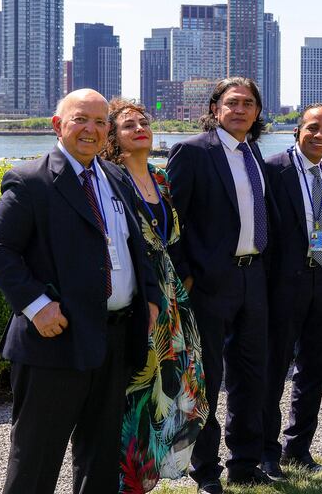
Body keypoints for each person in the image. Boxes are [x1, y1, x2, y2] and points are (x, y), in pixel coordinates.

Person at [0, 89, 160, 494]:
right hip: (55, 341)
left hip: (114, 339)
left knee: (100, 461)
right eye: (81, 119)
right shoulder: (31, 179)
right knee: (36, 461)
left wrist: (148, 298)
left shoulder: (116, 177)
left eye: (100, 122)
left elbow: (135, 245)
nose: (91, 130)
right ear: (58, 125)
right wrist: (36, 305)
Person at [166, 77, 278, 493]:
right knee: (208, 379)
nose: (240, 110)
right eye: (232, 103)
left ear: (257, 112)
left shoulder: (254, 153)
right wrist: (188, 275)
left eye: (249, 103)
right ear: (215, 109)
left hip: (254, 278)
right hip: (210, 283)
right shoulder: (193, 152)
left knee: (253, 376)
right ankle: (206, 471)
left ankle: (245, 463)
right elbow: (170, 221)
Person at [104, 100, 207, 492]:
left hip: (172, 300)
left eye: (144, 122)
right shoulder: (112, 180)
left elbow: (174, 241)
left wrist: (185, 284)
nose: (140, 128)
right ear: (113, 137)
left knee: (173, 389)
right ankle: (123, 482)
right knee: (136, 394)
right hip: (137, 297)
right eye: (129, 125)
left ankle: (148, 478)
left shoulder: (161, 180)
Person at [260, 103, 322, 477]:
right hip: (283, 284)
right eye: (313, 128)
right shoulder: (273, 170)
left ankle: (299, 449)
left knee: (313, 370)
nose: (319, 135)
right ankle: (265, 452)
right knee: (274, 370)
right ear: (297, 131)